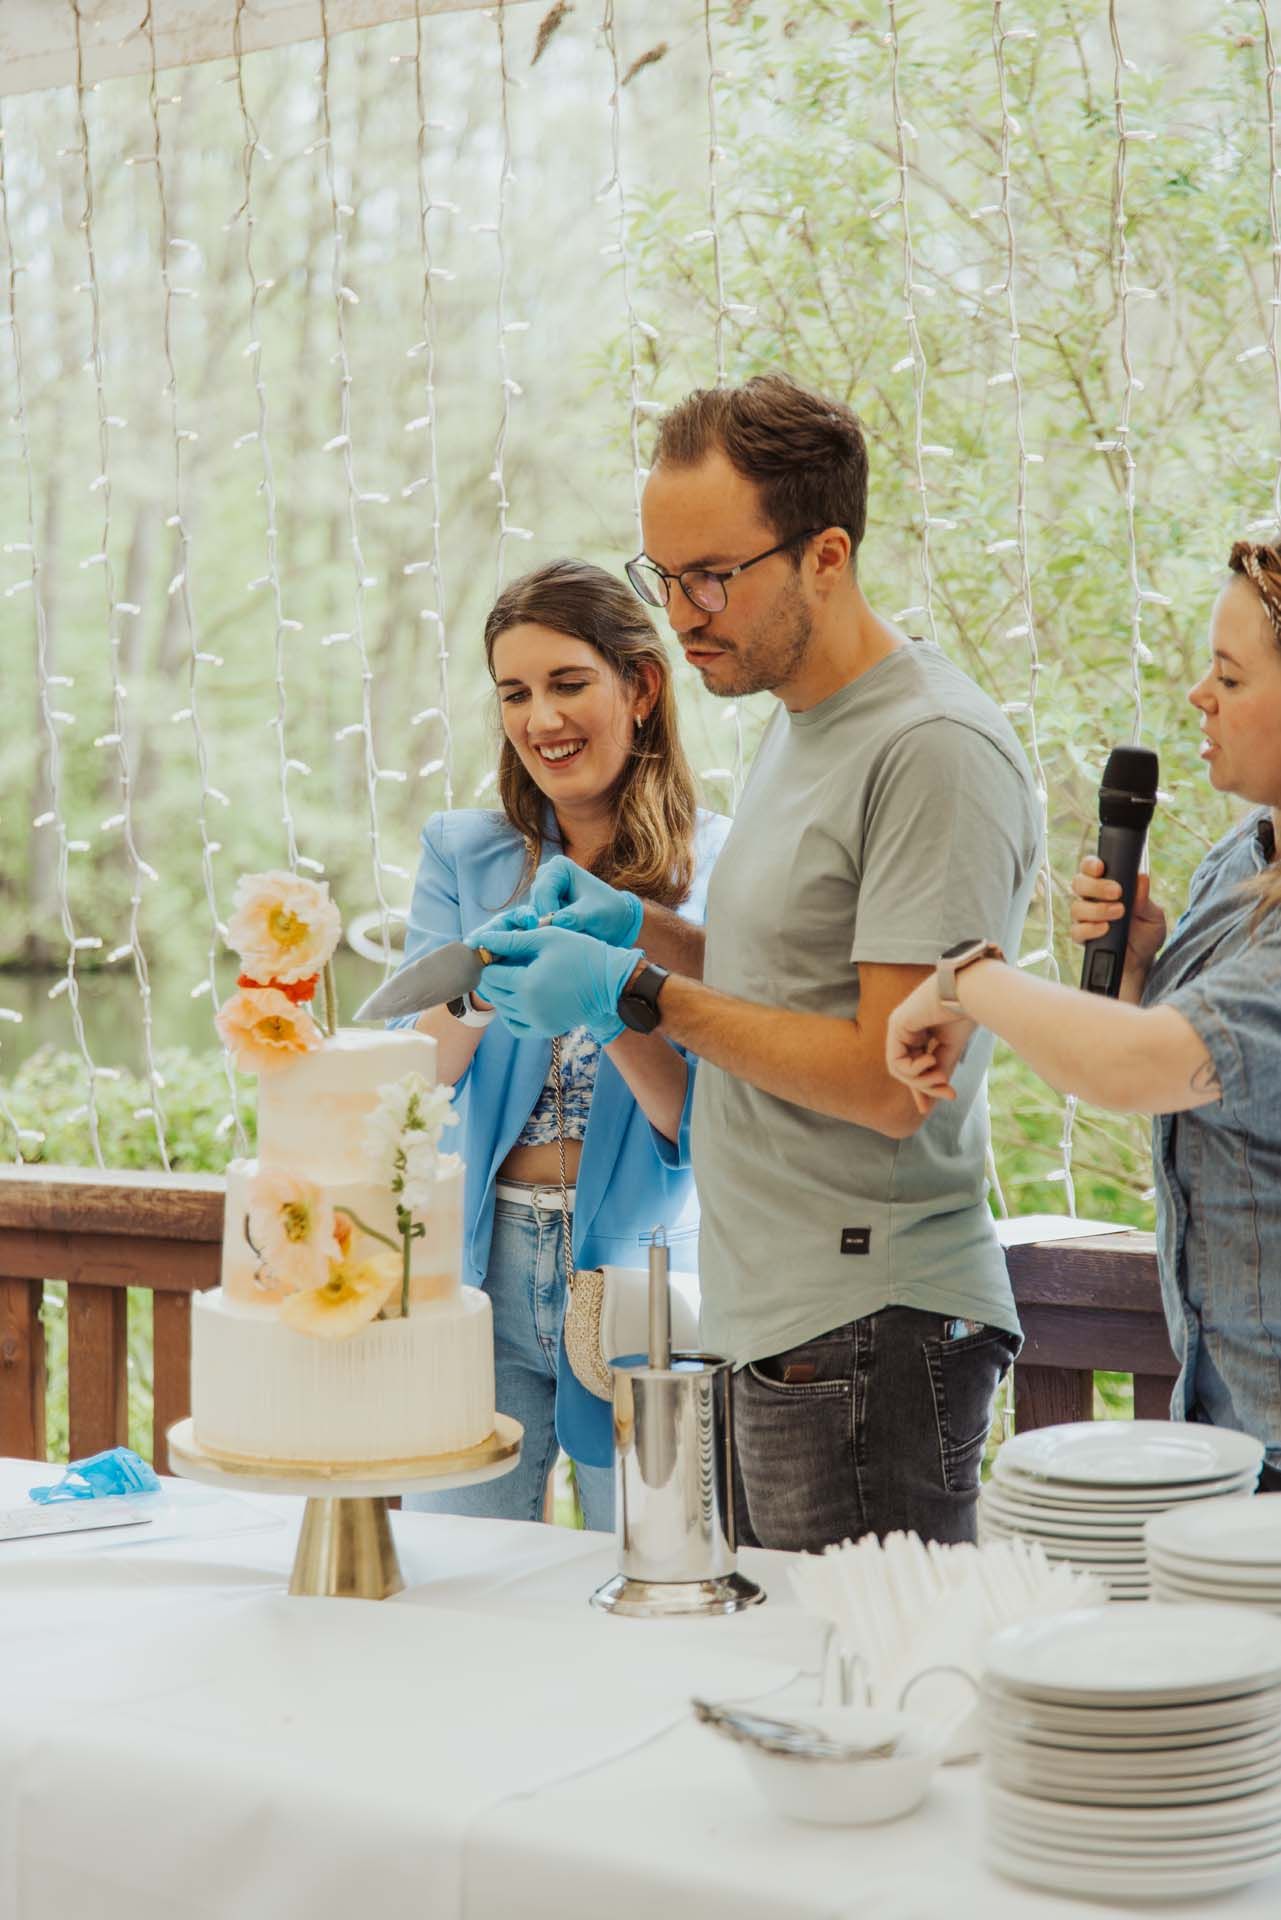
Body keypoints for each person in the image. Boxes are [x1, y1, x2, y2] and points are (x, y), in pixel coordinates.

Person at [468, 374, 1043, 1552]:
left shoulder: (928, 748)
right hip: (776, 1326)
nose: (681, 615)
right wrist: (634, 925)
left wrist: (637, 991)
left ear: (826, 555)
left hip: (868, 1330)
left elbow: (887, 1081)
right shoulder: (800, 725)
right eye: (662, 578)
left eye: (713, 577)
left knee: (867, 1710)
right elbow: (778, 977)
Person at [885, 538, 1281, 1491]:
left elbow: (1134, 1064)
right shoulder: (1239, 860)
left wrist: (965, 980)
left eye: (1228, 675)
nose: (1198, 695)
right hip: (1224, 1427)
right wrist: (1139, 965)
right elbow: (1203, 1078)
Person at [397, 559, 729, 1531]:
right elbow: (411, 1080)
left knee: (650, 1562)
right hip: (478, 1266)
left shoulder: (724, 868)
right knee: (456, 1579)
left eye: (568, 682)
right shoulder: (465, 854)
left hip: (642, 1270)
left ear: (641, 685)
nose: (542, 718)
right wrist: (478, 997)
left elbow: (698, 1120)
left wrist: (604, 996)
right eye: (516, 692)